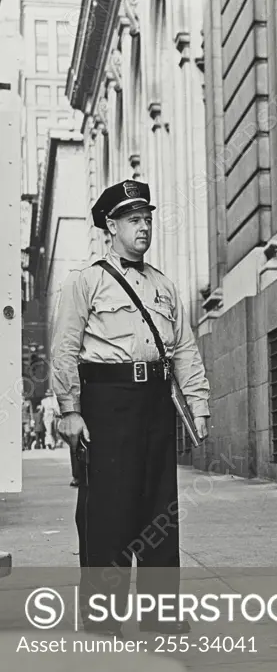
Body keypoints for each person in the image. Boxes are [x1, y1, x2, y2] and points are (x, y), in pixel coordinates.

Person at [51, 179, 211, 636]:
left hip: (155, 404)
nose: (144, 228)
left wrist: (197, 402)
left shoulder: (163, 285)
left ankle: (161, 612)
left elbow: (183, 349)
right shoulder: (85, 281)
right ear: (111, 225)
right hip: (106, 404)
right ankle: (103, 616)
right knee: (108, 511)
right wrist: (69, 409)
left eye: (148, 219)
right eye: (134, 220)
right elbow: (65, 348)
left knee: (160, 509)